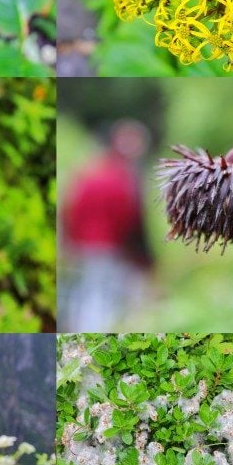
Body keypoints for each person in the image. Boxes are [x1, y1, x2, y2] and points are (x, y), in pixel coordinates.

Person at [59, 120, 154, 332]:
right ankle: (96, 332)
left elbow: (69, 208)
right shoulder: (121, 178)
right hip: (107, 244)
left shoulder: (86, 171)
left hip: (84, 243)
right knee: (101, 292)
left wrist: (69, 239)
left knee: (87, 288)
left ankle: (82, 329)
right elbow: (128, 217)